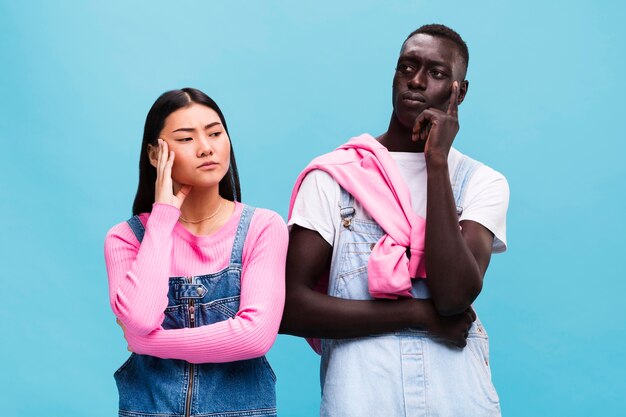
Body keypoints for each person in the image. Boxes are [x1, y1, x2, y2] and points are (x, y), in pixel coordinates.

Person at [281, 24, 509, 416]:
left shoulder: (481, 183)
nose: (416, 82)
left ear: (460, 92)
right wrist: (417, 315)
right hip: (361, 397)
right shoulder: (335, 177)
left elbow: (455, 296)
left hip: (457, 397)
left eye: (436, 73)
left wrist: (436, 161)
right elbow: (290, 307)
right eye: (407, 67)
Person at [104, 88, 287, 417]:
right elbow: (142, 317)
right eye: (186, 139)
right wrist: (162, 218)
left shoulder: (263, 228)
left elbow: (254, 337)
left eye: (215, 133)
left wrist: (148, 344)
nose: (206, 148)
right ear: (154, 154)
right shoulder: (126, 238)